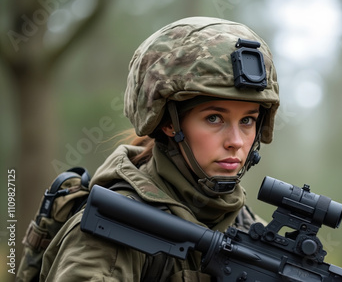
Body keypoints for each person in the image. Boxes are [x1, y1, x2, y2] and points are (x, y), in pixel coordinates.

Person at [39, 16, 279, 281]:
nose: (236, 140)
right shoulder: (115, 228)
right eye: (214, 118)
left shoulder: (249, 229)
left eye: (247, 120)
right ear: (168, 123)